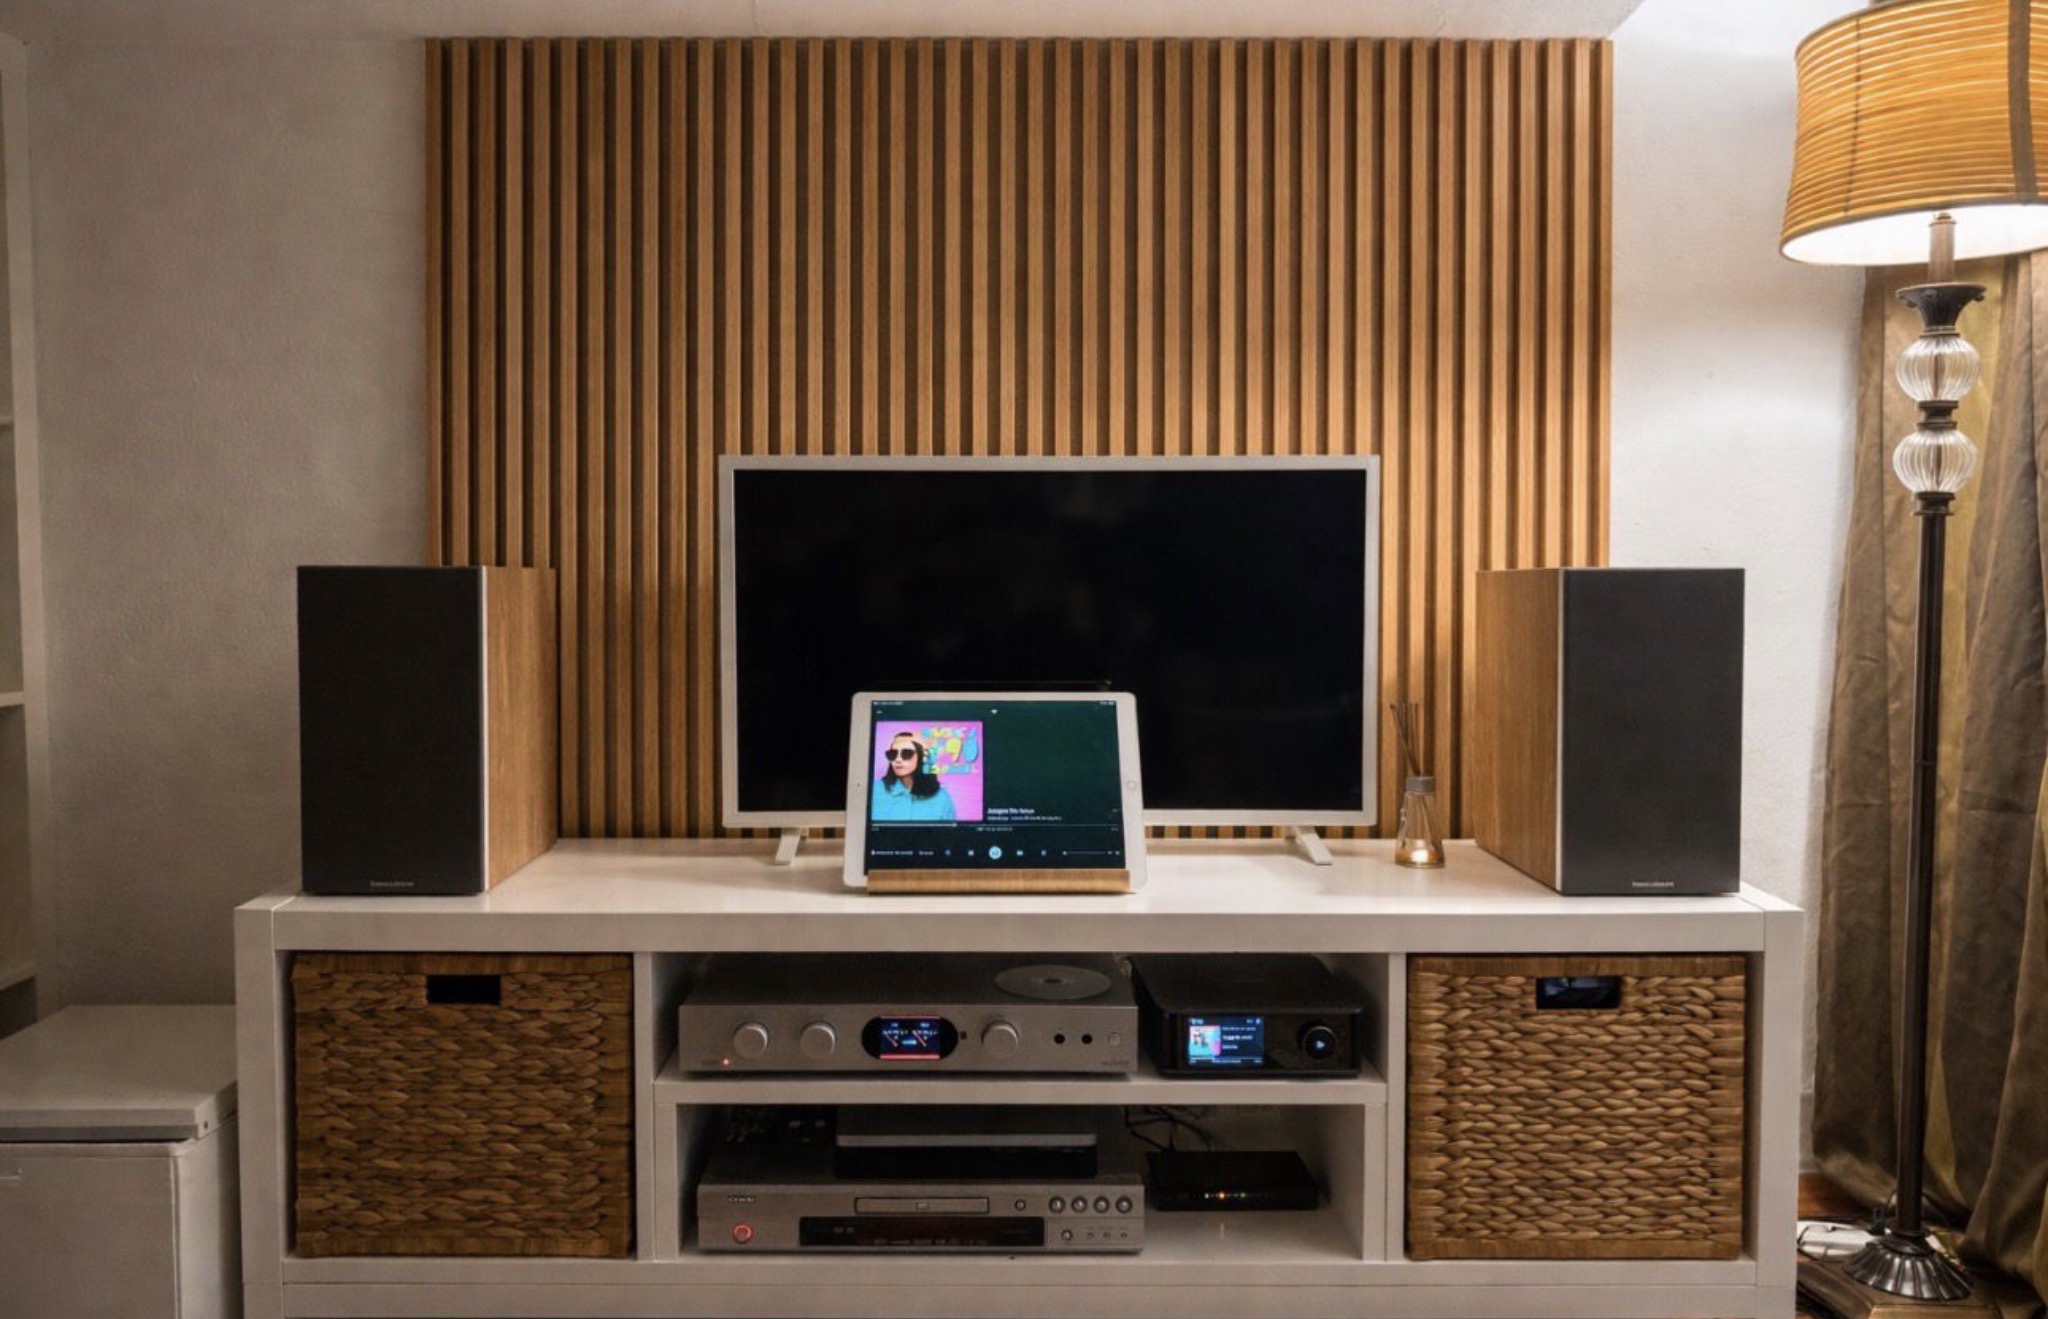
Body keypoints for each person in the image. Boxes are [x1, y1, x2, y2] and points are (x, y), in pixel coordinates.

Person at [870, 731, 957, 822]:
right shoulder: (875, 790)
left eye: (907, 753)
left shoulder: (941, 797)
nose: (898, 759)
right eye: (893, 754)